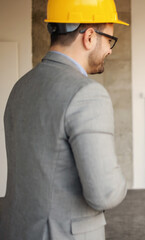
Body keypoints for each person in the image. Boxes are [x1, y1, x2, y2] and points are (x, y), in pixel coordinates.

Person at [0, 0, 128, 239]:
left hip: (17, 228)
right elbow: (105, 193)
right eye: (109, 40)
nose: (110, 49)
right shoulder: (87, 94)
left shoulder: (21, 85)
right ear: (89, 36)